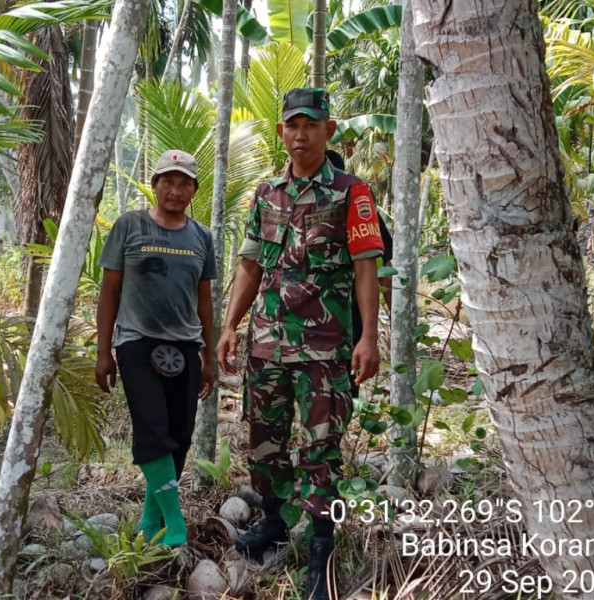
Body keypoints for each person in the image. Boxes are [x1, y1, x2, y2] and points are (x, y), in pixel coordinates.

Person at [216, 88, 384, 600]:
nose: (300, 134)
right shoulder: (265, 194)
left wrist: (369, 336)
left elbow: (365, 266)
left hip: (325, 348)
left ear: (328, 130)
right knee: (265, 444)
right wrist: (229, 327)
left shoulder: (352, 193)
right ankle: (275, 520)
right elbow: (250, 265)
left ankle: (321, 546)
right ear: (281, 131)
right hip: (267, 344)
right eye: (292, 124)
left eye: (311, 124)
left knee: (321, 451)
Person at [94, 149, 216, 548]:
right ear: (155, 184)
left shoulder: (201, 237)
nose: (175, 190)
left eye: (184, 184)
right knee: (152, 428)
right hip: (136, 342)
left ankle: (150, 521)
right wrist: (103, 351)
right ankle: (176, 525)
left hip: (185, 344)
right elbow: (108, 291)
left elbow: (205, 301)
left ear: (194, 190)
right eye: (168, 181)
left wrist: (209, 355)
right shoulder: (129, 226)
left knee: (179, 434)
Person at [324, 149, 394, 399]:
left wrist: (389, 320)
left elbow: (380, 266)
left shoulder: (356, 202)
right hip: (296, 330)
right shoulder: (286, 201)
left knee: (341, 395)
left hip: (347, 321)